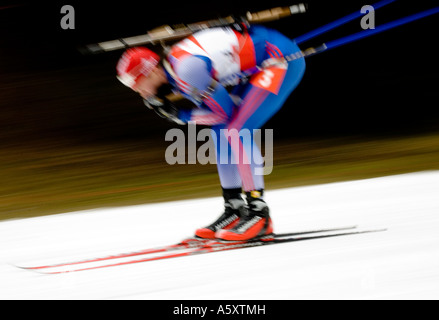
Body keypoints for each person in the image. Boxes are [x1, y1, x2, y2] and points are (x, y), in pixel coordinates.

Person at [116, 24, 306, 241]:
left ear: (151, 71)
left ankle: (258, 212)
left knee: (237, 129)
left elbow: (223, 113)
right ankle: (235, 207)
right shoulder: (175, 75)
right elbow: (218, 113)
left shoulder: (187, 72)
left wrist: (180, 115)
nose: (136, 90)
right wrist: (179, 113)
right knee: (220, 132)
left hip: (278, 57)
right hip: (259, 58)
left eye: (135, 82)